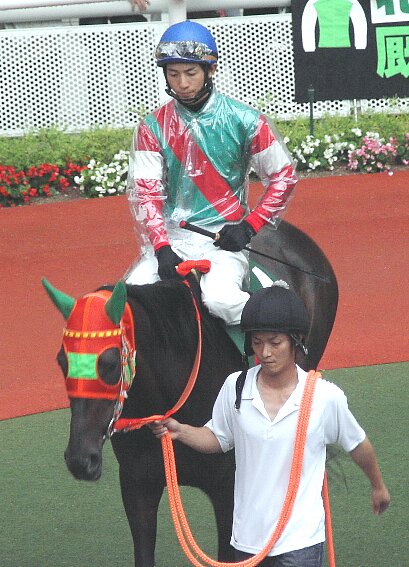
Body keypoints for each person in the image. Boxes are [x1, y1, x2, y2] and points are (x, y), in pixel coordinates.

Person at [150, 283, 391, 566]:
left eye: (275, 343)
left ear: (296, 341)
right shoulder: (236, 387)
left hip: (300, 542)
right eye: (257, 342)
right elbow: (218, 437)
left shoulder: (324, 397)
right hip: (247, 539)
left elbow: (357, 444)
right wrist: (181, 431)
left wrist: (378, 486)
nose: (265, 352)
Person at [125, 20, 297, 325]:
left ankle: (269, 340)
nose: (182, 83)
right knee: (132, 296)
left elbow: (283, 176)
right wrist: (161, 247)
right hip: (172, 237)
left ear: (211, 69)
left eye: (191, 73)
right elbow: (147, 194)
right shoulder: (151, 128)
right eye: (173, 74)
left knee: (220, 300)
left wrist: (248, 227)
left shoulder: (246, 120)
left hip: (224, 237)